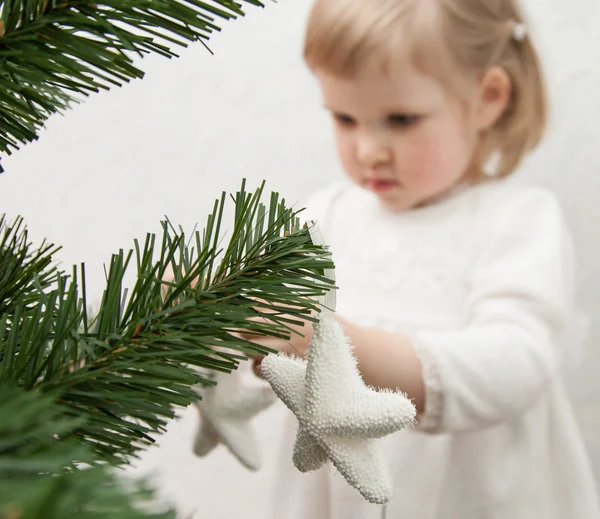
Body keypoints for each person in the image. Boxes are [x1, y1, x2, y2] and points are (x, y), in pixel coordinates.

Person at [245, 0, 600, 518]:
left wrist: (340, 348)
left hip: (466, 499)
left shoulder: (516, 220)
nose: (368, 149)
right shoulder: (327, 216)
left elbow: (517, 363)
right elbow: (269, 335)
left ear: (488, 99)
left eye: (401, 119)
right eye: (344, 118)